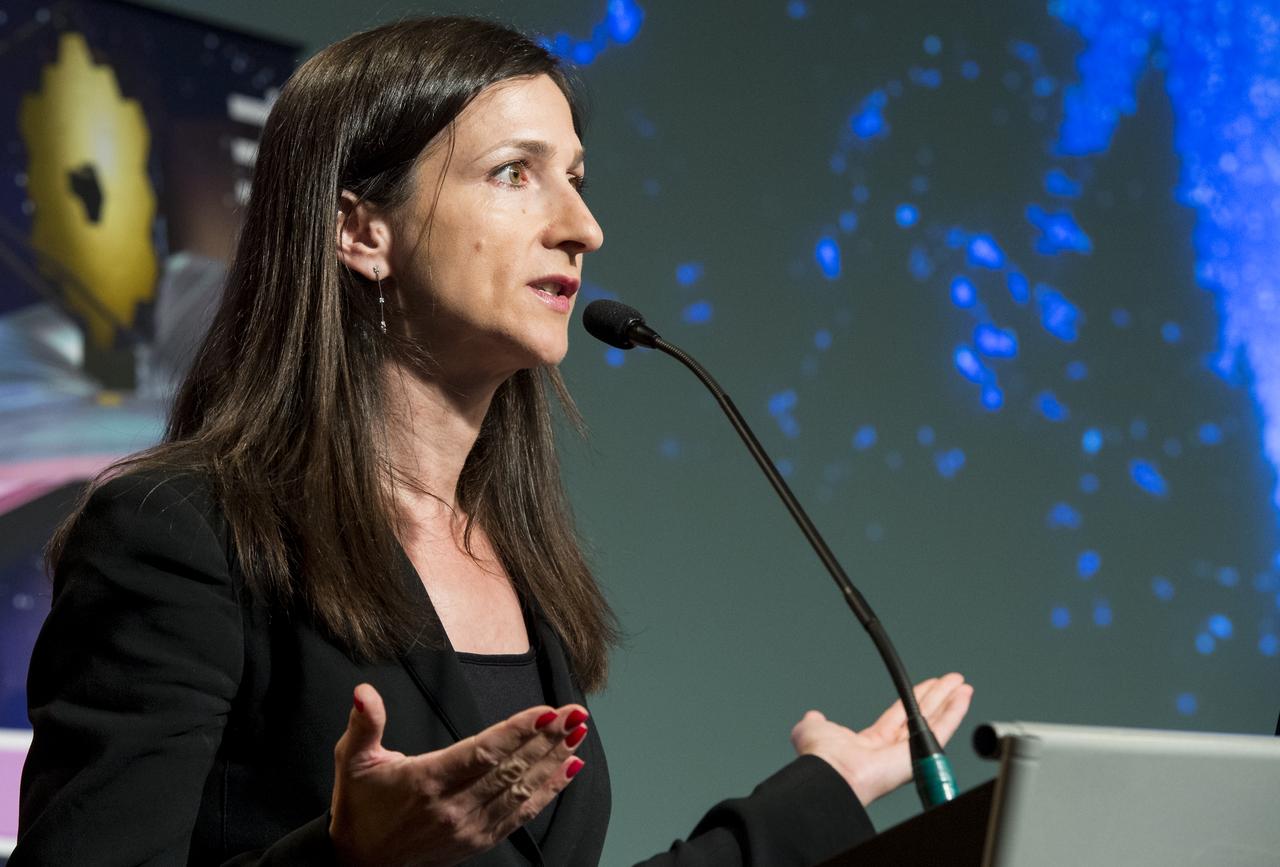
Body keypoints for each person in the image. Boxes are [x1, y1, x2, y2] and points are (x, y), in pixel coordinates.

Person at [12, 16, 973, 866]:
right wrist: (346, 859)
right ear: (360, 230)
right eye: (515, 173)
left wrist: (819, 798)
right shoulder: (181, 532)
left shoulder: (516, 565)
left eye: (577, 180)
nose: (583, 227)